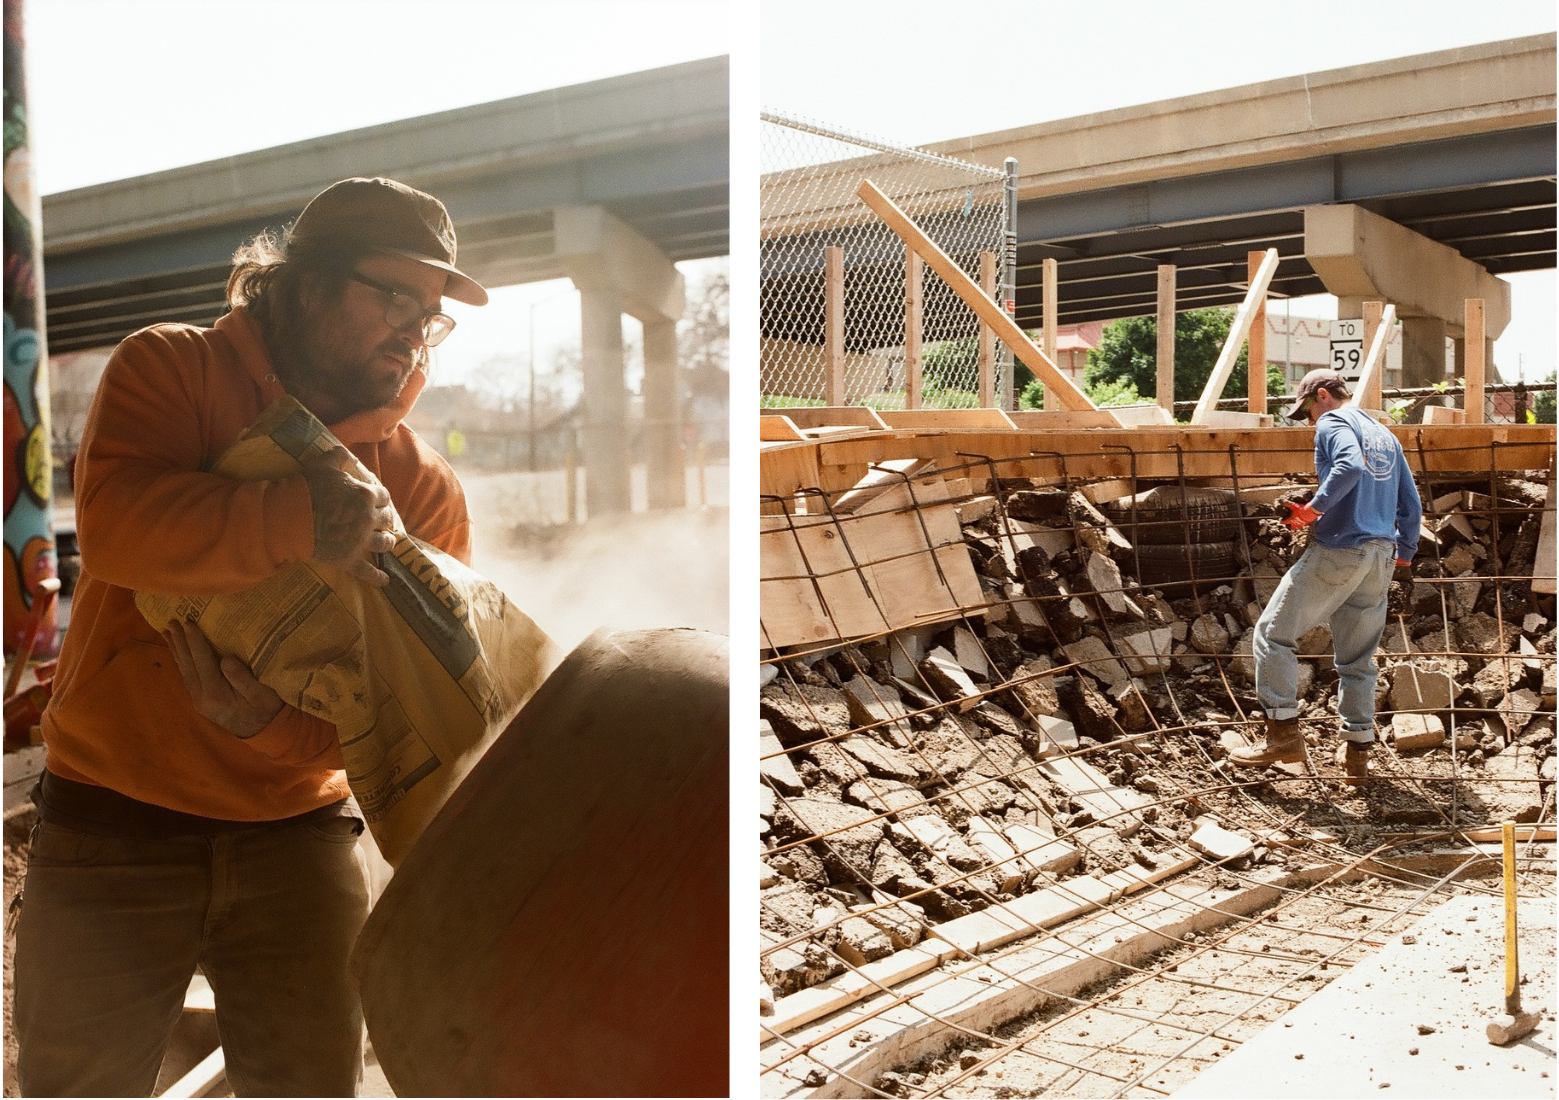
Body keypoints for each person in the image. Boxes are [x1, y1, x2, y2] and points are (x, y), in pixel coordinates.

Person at [15, 177, 488, 1097]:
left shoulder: (421, 486)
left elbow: (415, 703)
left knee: (312, 1086)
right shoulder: (171, 371)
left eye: (428, 313)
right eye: (391, 295)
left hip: (297, 838)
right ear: (301, 283)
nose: (412, 328)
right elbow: (117, 530)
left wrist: (270, 729)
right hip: (111, 822)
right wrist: (300, 519)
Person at [1229, 368, 1422, 786]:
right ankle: (1357, 755)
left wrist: (1313, 509)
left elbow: (1349, 466)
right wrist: (1403, 557)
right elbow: (1412, 504)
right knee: (1357, 659)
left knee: (1272, 635)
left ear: (1322, 395)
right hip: (1380, 557)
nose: (1311, 423)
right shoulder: (1384, 434)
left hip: (1342, 549)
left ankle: (1282, 734)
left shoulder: (1335, 422)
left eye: (1309, 412)